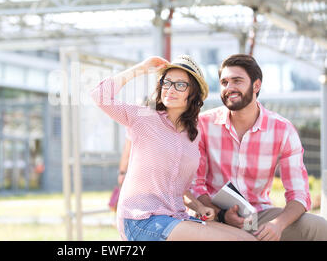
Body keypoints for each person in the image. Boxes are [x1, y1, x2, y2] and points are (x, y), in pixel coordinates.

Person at [91, 55, 256, 241]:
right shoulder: (144, 117)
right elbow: (99, 95)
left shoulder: (192, 134)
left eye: (180, 85)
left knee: (248, 238)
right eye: (167, 82)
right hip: (141, 219)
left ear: (192, 94)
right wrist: (142, 68)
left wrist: (199, 207)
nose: (170, 89)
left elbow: (178, 189)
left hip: (176, 217)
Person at [193, 53, 327, 241]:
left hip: (257, 217)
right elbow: (194, 185)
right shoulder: (203, 125)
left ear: (256, 85)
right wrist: (220, 214)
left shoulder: (283, 130)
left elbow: (299, 193)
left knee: (320, 227)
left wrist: (277, 225)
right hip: (212, 216)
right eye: (224, 82)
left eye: (237, 81)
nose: (229, 88)